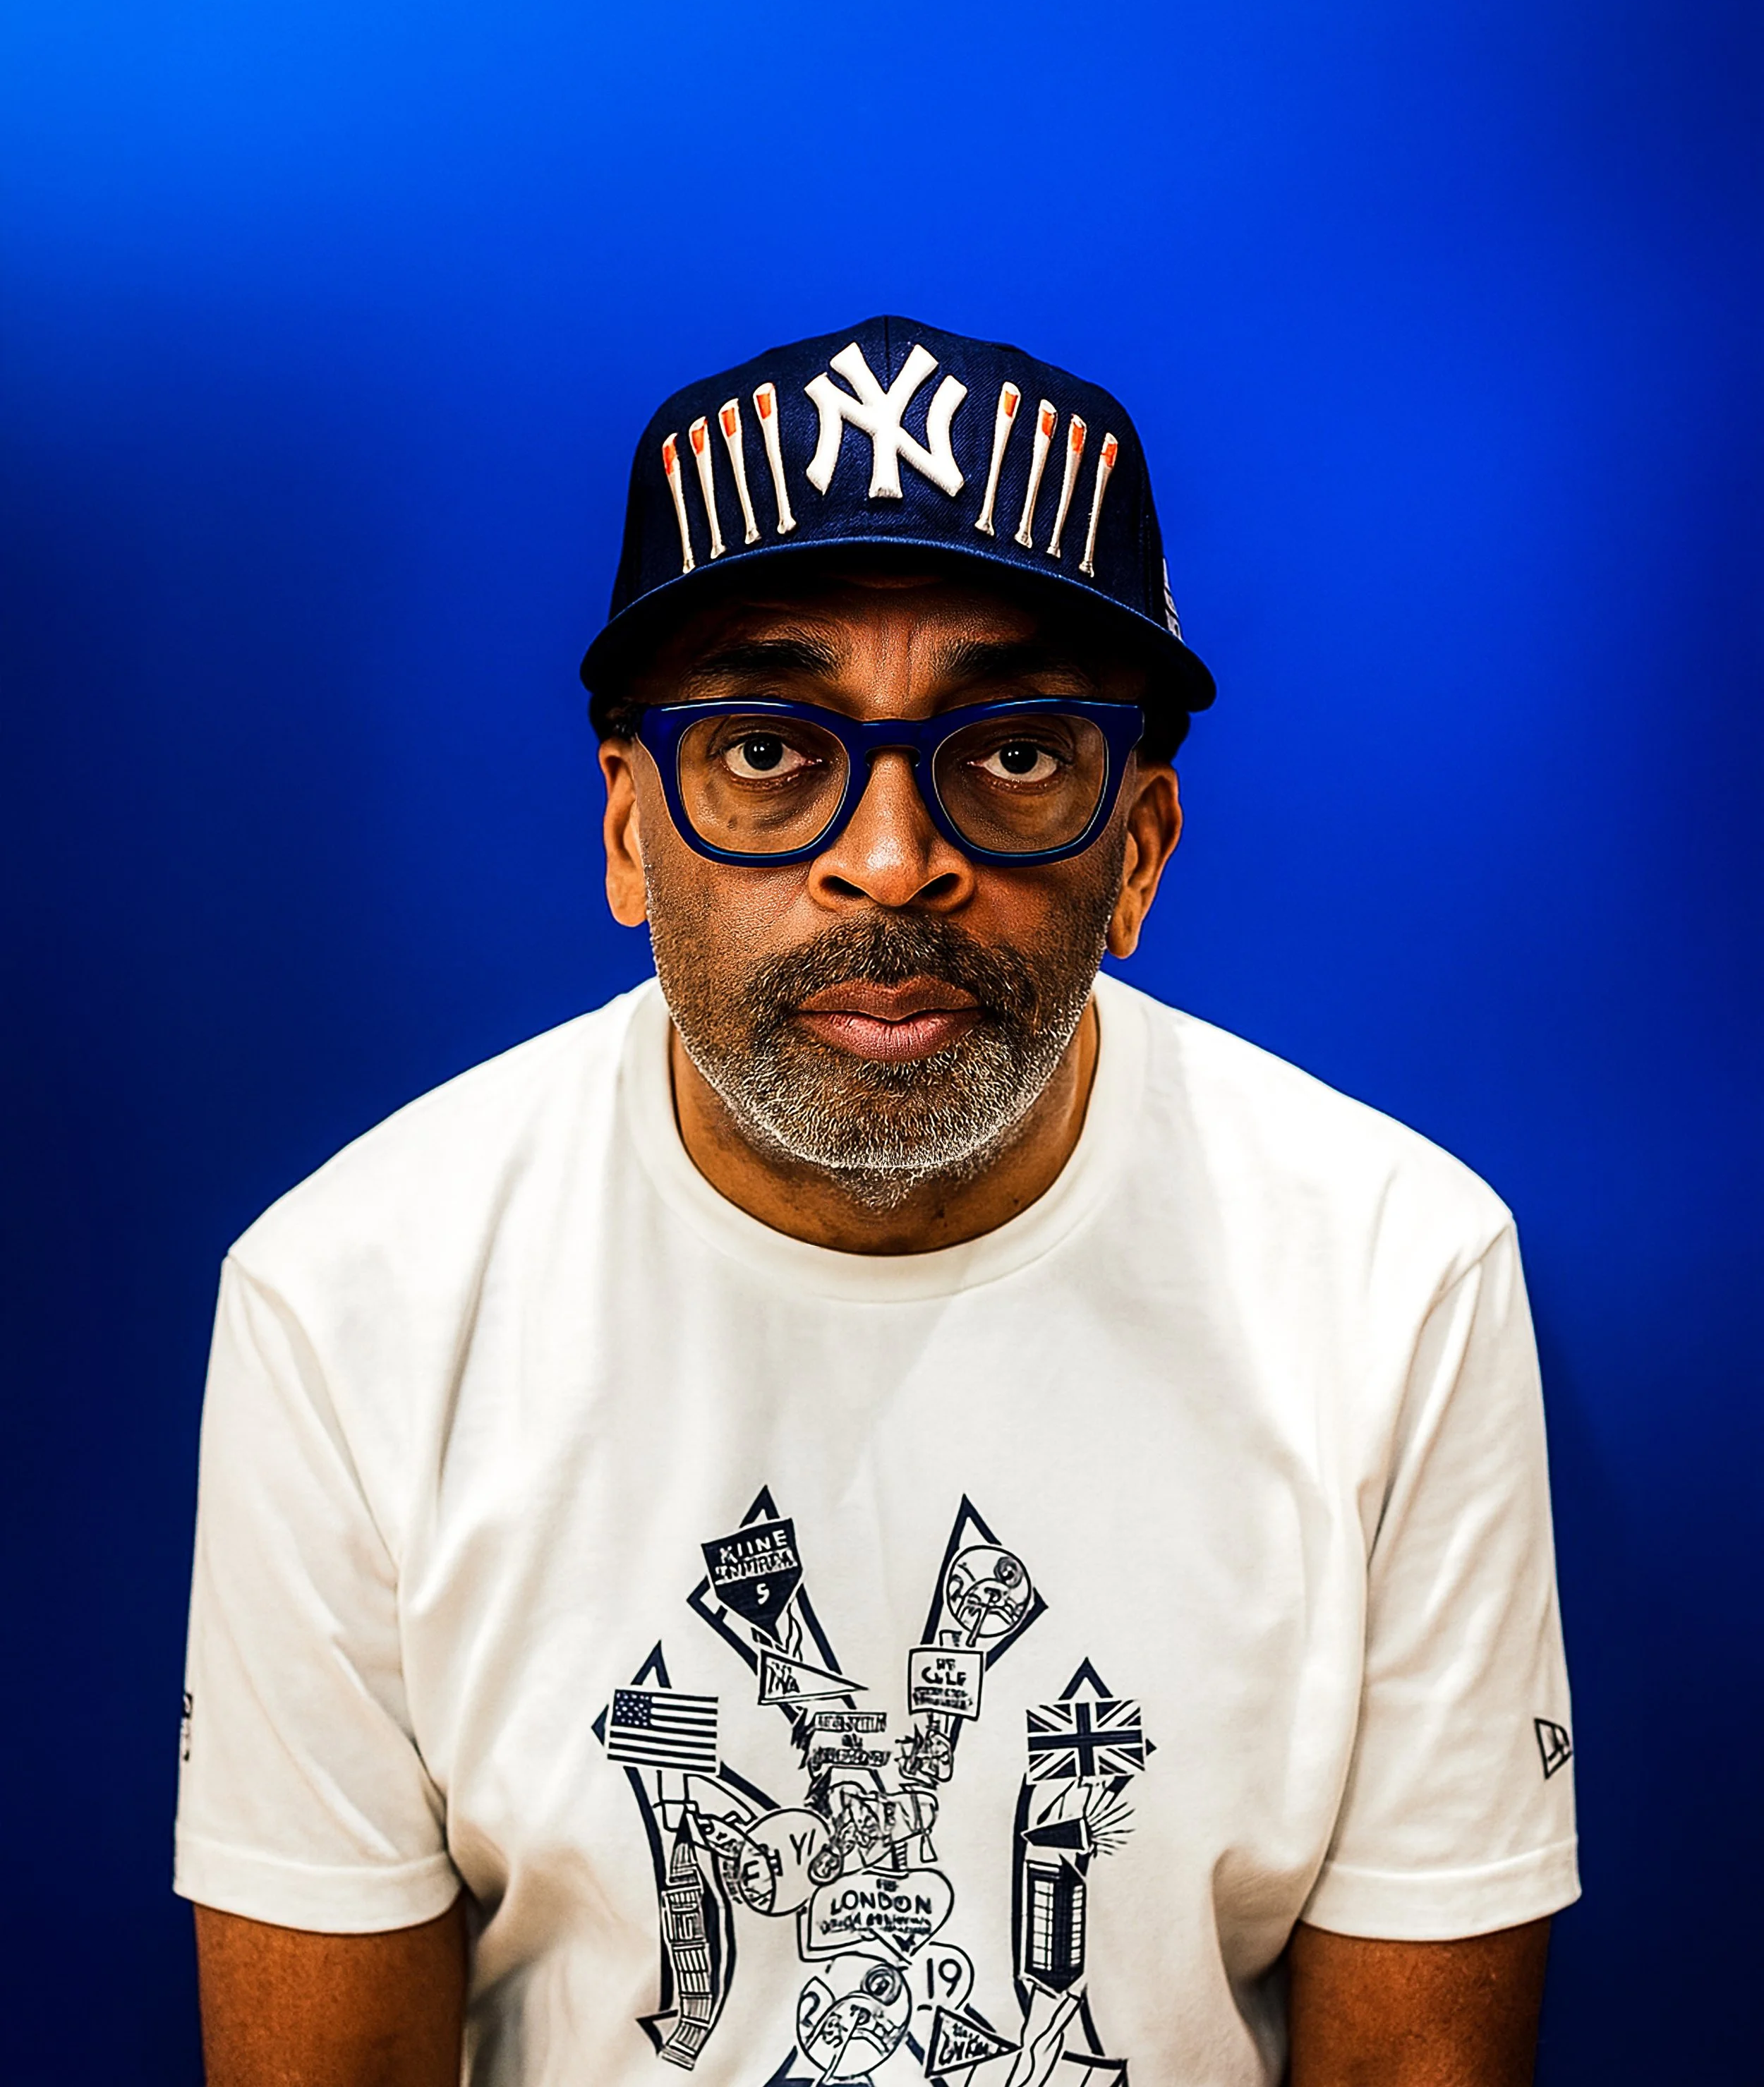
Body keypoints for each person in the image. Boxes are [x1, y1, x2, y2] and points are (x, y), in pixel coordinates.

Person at [176, 318, 1578, 2087]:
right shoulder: (350, 1301)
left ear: (1135, 848)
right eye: (767, 748)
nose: (894, 857)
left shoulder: (1396, 1279)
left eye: (1007, 752)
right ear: (628, 832)